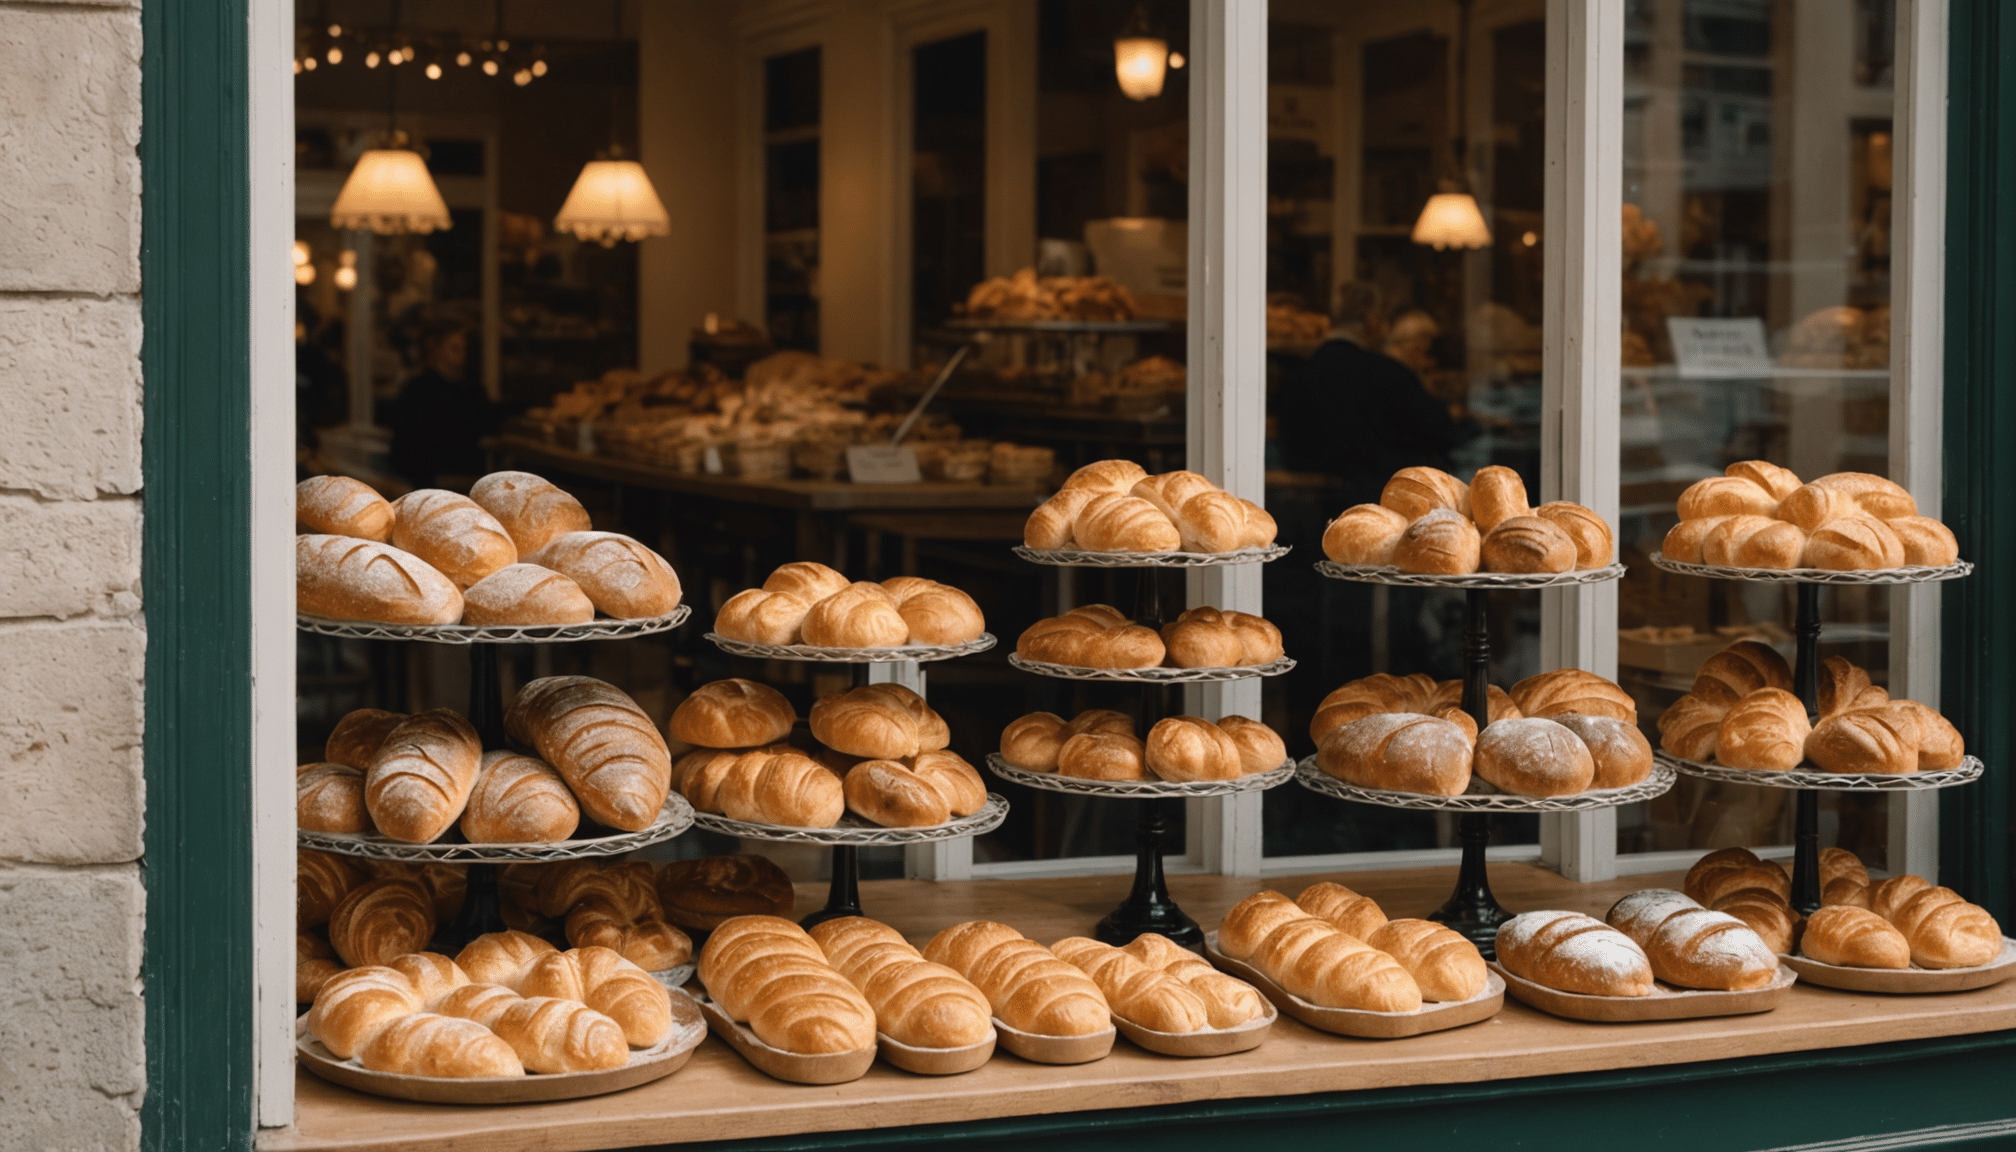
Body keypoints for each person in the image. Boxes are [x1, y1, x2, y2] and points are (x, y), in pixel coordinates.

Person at [1274, 282, 1474, 508]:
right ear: (1372, 321)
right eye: (1384, 321)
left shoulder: (1297, 376)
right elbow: (1442, 431)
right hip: (1383, 503)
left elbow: (1289, 446)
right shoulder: (1385, 373)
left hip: (1305, 507)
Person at [389, 323, 500, 489]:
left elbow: (488, 429)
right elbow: (404, 447)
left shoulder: (474, 389)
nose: (463, 354)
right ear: (435, 348)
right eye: (455, 348)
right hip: (429, 482)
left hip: (472, 478)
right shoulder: (417, 390)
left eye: (465, 349)